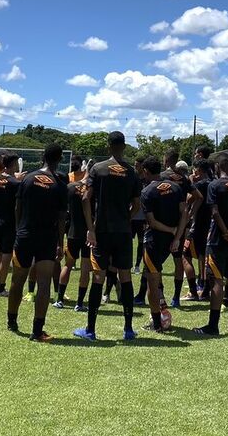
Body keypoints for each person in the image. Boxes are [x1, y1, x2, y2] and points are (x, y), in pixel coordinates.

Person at [74, 131, 142, 342]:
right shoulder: (132, 172)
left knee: (98, 276)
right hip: (123, 231)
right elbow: (137, 205)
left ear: (108, 146)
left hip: (102, 231)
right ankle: (128, 330)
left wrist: (91, 228)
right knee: (126, 277)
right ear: (124, 146)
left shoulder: (98, 169)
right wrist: (126, 218)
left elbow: (85, 198)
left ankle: (91, 330)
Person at [7, 144, 68, 342]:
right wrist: (60, 242)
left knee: (18, 280)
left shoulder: (28, 178)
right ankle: (37, 330)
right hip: (47, 238)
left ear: (42, 156)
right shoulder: (59, 183)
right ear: (60, 159)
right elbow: (61, 218)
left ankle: (12, 321)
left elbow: (18, 206)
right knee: (43, 284)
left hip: (24, 235)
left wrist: (19, 230)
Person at [194, 152, 228, 336]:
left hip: (217, 240)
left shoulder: (214, 185)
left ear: (217, 167)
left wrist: (225, 232)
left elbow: (215, 212)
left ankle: (213, 325)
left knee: (216, 280)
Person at [138, 157, 188, 332]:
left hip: (154, 241)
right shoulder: (175, 187)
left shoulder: (147, 192)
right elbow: (185, 213)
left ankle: (157, 323)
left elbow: (151, 222)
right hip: (172, 241)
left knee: (152, 278)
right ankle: (163, 306)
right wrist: (176, 237)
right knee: (155, 275)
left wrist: (171, 231)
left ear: (145, 171)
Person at [55, 157, 91, 310]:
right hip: (88, 235)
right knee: (85, 268)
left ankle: (59, 299)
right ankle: (80, 303)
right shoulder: (91, 190)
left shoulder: (69, 187)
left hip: (72, 232)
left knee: (68, 266)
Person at [160, 154, 193, 307]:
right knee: (178, 260)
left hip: (160, 224)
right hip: (179, 224)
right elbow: (197, 196)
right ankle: (176, 298)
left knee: (156, 263)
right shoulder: (183, 178)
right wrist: (189, 213)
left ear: (166, 160)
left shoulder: (161, 176)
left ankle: (160, 296)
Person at [0, 154, 22, 298]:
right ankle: (1, 288)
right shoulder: (15, 183)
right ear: (14, 164)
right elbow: (17, 206)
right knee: (7, 256)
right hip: (9, 223)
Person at [181, 158, 212, 302]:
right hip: (211, 226)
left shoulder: (199, 184)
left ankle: (194, 291)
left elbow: (188, 199)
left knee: (185, 256)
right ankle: (205, 291)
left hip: (198, 225)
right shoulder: (213, 183)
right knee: (204, 258)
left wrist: (190, 184)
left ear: (198, 170)